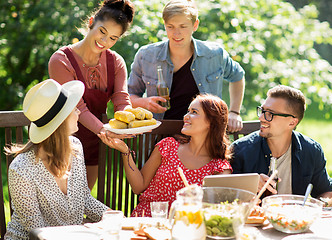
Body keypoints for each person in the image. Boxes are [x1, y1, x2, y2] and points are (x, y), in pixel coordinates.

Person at [4, 79, 110, 240]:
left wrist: (119, 219)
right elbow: (37, 231)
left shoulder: (75, 147)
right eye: (74, 109)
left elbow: (84, 199)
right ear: (60, 122)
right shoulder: (21, 169)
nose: (79, 113)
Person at [48, 0, 135, 189]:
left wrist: (128, 123)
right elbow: (77, 106)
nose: (104, 41)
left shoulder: (116, 62)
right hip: (64, 141)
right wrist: (105, 130)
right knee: (63, 204)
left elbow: (121, 100)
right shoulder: (61, 60)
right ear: (90, 22)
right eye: (102, 31)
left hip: (96, 141)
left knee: (83, 198)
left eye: (113, 38)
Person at [98, 94, 233, 217]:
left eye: (194, 112)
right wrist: (125, 150)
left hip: (184, 228)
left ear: (211, 122)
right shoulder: (168, 146)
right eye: (188, 111)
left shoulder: (219, 168)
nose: (186, 116)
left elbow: (215, 212)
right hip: (145, 222)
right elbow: (138, 186)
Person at [128, 0, 245, 133]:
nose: (176, 33)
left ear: (195, 25)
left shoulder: (214, 54)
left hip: (206, 136)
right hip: (160, 136)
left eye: (183, 26)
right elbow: (128, 95)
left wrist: (235, 112)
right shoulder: (146, 55)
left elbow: (238, 76)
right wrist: (145, 103)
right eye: (170, 26)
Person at [231, 85, 332, 207]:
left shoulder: (311, 151)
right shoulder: (239, 150)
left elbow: (327, 192)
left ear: (292, 122)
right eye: (262, 110)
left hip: (294, 222)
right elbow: (222, 195)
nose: (261, 118)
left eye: (270, 114)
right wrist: (247, 185)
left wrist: (319, 205)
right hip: (254, 222)